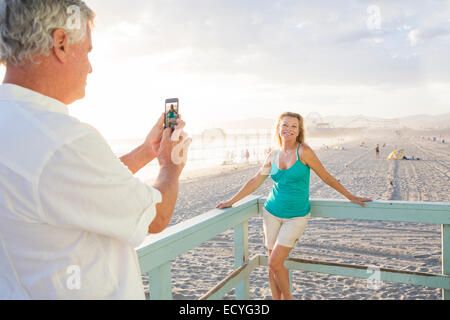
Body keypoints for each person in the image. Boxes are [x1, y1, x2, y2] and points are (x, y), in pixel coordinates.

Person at [0, 0, 191, 299]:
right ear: (60, 43)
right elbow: (155, 216)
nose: (90, 66)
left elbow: (73, 188)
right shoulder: (64, 140)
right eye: (88, 51)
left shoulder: (18, 125)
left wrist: (146, 151)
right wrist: (170, 166)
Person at [216, 112, 371, 300]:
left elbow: (326, 177)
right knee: (272, 264)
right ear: (278, 128)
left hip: (296, 216)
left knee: (274, 263)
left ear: (299, 131)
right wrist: (230, 202)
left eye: (293, 126)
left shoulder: (304, 152)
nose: (288, 129)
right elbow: (256, 180)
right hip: (271, 213)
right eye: (284, 125)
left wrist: (351, 196)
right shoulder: (272, 154)